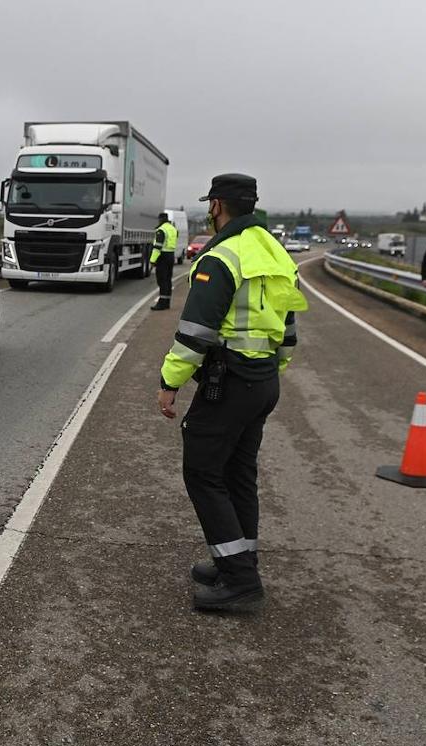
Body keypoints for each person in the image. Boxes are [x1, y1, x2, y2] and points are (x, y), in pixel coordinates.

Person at [156, 173, 307, 611]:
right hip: (263, 382)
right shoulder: (276, 252)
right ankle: (238, 560)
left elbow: (194, 333)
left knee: (203, 472)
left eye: (211, 204)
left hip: (231, 381)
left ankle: (240, 581)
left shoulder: (220, 256)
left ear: (217, 205)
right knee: (239, 474)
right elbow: (289, 329)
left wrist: (170, 383)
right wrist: (271, 370)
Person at [149, 212, 178, 310]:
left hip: (163, 257)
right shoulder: (172, 229)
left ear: (160, 219)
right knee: (168, 280)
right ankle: (167, 302)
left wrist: (152, 260)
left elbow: (157, 247)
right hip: (171, 255)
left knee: (162, 280)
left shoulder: (161, 230)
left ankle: (161, 303)